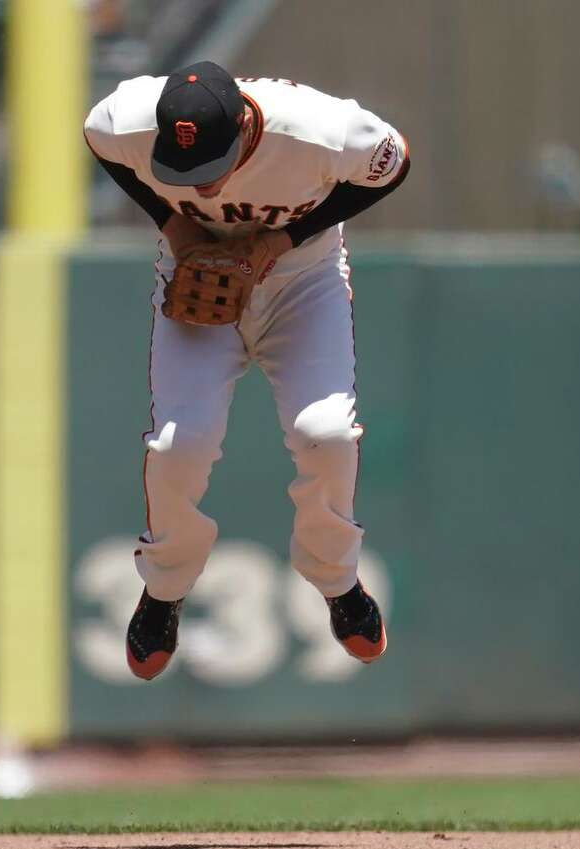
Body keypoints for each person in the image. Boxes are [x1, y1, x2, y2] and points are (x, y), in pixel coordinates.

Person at [84, 61, 410, 680]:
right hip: (196, 271)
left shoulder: (324, 132)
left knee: (327, 433)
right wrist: (175, 225)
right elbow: (97, 140)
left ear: (244, 129)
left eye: (210, 166)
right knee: (182, 443)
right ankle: (165, 589)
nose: (202, 188)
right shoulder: (125, 119)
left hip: (302, 284)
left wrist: (279, 244)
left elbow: (393, 165)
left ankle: (338, 583)